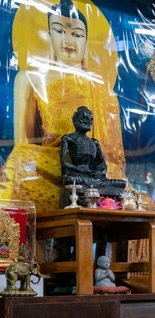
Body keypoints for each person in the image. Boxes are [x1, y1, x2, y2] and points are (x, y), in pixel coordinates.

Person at [0, 0, 125, 211]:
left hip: (94, 176)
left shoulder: (102, 88)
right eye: (59, 31)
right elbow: (22, 145)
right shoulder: (29, 77)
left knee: (120, 182)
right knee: (19, 163)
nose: (68, 40)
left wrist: (97, 172)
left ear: (87, 41)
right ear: (49, 34)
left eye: (77, 34)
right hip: (50, 167)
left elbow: (111, 158)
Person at [60, 106, 126, 207]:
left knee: (120, 183)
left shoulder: (94, 142)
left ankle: (108, 201)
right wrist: (81, 171)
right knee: (70, 180)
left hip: (94, 177)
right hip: (79, 175)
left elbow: (102, 164)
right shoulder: (68, 138)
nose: (89, 122)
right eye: (85, 119)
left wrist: (100, 172)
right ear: (75, 121)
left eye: (91, 119)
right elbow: (64, 163)